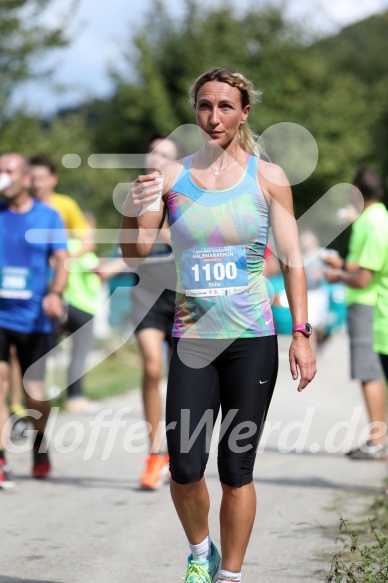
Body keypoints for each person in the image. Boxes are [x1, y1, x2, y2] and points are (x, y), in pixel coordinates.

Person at [120, 67, 316, 583]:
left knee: (236, 471)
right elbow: (136, 254)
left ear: (244, 112)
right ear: (195, 111)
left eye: (225, 106)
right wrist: (128, 210)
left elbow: (294, 260)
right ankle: (199, 549)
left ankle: (229, 575)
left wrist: (301, 332)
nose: (214, 117)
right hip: (193, 342)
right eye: (205, 106)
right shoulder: (171, 178)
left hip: (251, 339)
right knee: (184, 466)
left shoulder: (268, 178)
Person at [9, 154, 94, 420]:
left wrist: (63, 260)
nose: (38, 184)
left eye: (43, 178)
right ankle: (18, 404)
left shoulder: (62, 206)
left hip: (62, 291)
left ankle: (67, 394)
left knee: (64, 341)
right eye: (34, 178)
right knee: (14, 352)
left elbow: (88, 241)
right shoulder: (15, 209)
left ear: (53, 179)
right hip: (24, 294)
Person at [0, 153, 68, 489]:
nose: (3, 176)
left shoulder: (48, 216)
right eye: (0, 170)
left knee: (34, 394)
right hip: (1, 313)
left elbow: (61, 260)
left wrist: (55, 292)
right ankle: (0, 458)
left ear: (26, 179)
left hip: (36, 316)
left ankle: (39, 443)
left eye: (9, 170)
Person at [325, 167, 387, 460]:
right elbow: (361, 264)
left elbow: (363, 277)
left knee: (369, 372)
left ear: (356, 192)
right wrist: (341, 265)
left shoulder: (373, 222)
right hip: (369, 303)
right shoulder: (375, 218)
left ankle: (378, 440)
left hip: (367, 303)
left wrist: (336, 275)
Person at [130, 133, 179, 490]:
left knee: (183, 378)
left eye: (164, 155)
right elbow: (130, 250)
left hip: (183, 297)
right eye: (152, 153)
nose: (155, 158)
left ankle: (179, 453)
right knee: (151, 366)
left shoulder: (186, 194)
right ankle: (155, 452)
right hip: (147, 293)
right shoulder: (133, 198)